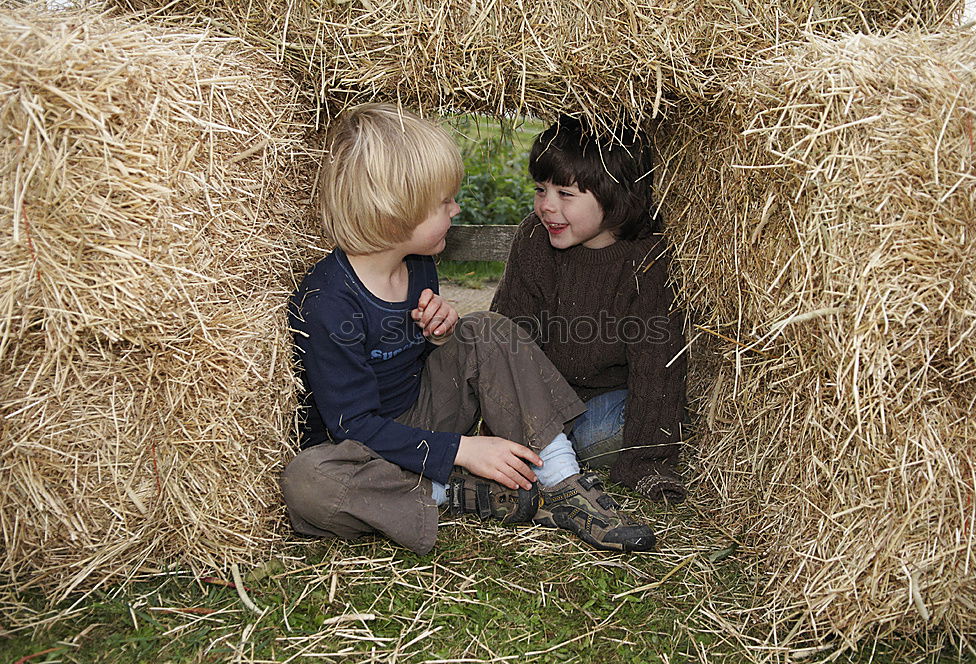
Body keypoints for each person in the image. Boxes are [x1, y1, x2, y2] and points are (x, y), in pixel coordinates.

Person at [281, 104, 656, 554]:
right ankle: (453, 492)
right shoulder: (326, 304)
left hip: (424, 413)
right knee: (308, 484)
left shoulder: (418, 264)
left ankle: (563, 483)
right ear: (395, 212)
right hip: (364, 449)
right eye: (444, 203)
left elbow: (420, 362)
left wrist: (437, 336)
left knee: (487, 328)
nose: (457, 208)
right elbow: (353, 425)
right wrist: (459, 450)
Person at [491, 116, 688, 504]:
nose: (546, 206)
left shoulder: (645, 261)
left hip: (603, 403)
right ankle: (541, 448)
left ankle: (559, 452)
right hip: (541, 399)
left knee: (601, 432)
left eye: (565, 194)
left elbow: (657, 364)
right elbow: (511, 333)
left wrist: (647, 462)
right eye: (540, 189)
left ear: (615, 197)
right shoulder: (534, 238)